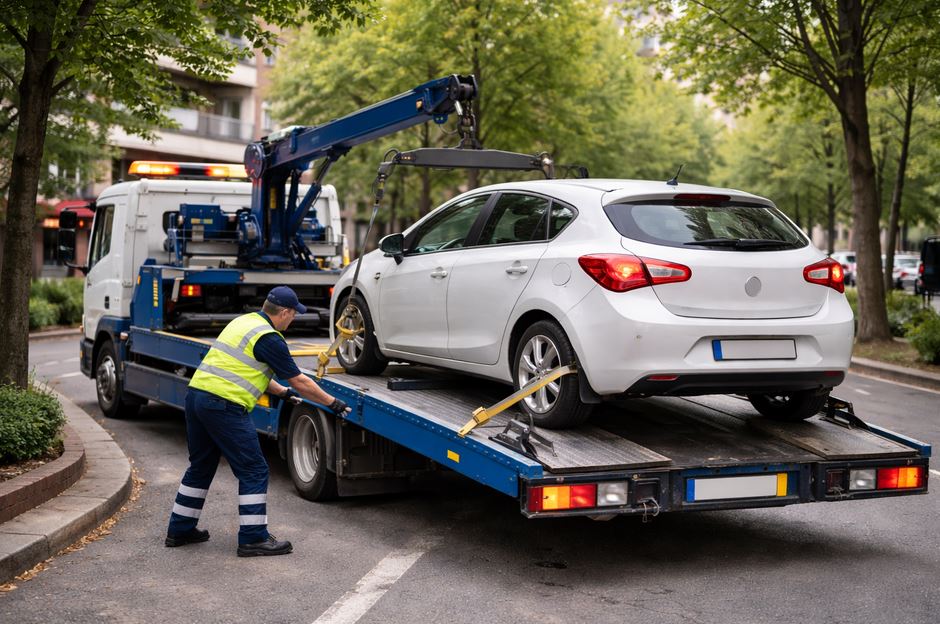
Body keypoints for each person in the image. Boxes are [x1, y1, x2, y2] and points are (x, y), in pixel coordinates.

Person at [165, 286, 348, 557]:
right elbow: (300, 380)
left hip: (197, 397)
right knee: (254, 470)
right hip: (223, 405)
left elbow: (246, 369)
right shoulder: (270, 339)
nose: (293, 319)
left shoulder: (244, 322)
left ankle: (179, 529)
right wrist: (332, 403)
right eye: (293, 315)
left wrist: (283, 393)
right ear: (284, 312)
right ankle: (253, 538)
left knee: (201, 466)